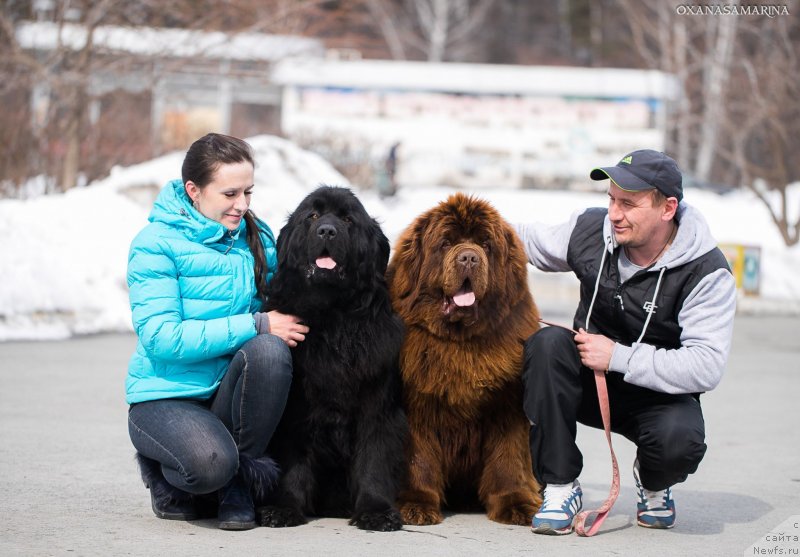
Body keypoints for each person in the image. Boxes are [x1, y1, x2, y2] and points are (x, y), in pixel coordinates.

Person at [515, 149, 736, 535]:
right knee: (547, 345)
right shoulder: (590, 231)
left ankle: (653, 480)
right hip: (585, 378)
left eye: (629, 204)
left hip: (657, 395)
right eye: (612, 200)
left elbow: (706, 365)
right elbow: (522, 242)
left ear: (667, 208)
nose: (615, 214)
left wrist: (618, 356)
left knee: (678, 443)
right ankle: (561, 485)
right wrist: (461, 228)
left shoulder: (707, 271)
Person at [125, 133, 309, 530]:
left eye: (248, 192)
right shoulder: (155, 245)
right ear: (194, 190)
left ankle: (237, 485)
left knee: (271, 350)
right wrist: (254, 324)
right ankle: (165, 471)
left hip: (228, 397)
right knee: (208, 467)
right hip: (166, 399)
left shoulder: (255, 239)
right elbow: (162, 337)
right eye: (229, 194)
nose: (242, 205)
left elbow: (282, 303)